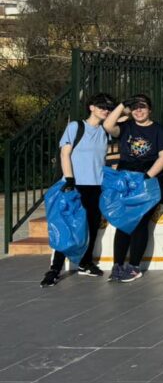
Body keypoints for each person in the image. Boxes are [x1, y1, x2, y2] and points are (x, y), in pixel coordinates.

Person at [40, 93, 115, 287]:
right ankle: (54, 269)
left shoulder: (105, 130)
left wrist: (122, 108)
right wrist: (69, 179)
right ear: (91, 107)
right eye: (102, 106)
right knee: (68, 227)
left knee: (91, 226)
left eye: (109, 107)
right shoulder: (76, 127)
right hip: (75, 185)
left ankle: (85, 262)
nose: (106, 110)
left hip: (96, 185)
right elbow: (65, 153)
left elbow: (122, 119)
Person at [102, 94, 163, 283]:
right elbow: (108, 125)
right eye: (135, 107)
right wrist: (122, 105)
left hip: (149, 180)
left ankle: (134, 266)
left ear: (150, 109)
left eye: (143, 106)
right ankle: (117, 265)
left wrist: (147, 176)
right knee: (123, 222)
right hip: (126, 181)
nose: (139, 110)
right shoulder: (127, 127)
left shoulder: (159, 130)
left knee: (140, 221)